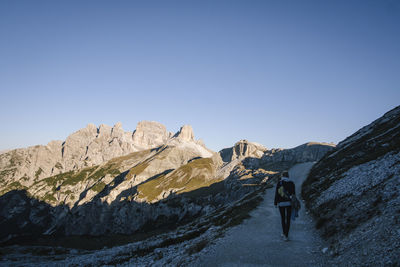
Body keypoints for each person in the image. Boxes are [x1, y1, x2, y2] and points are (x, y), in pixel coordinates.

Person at [274, 171, 295, 241]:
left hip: (281, 203)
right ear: (288, 176)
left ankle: (284, 233)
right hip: (289, 203)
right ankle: (286, 235)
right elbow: (293, 194)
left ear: (282, 176)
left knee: (283, 218)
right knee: (288, 219)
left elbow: (276, 194)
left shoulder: (279, 183)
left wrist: (275, 203)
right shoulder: (291, 183)